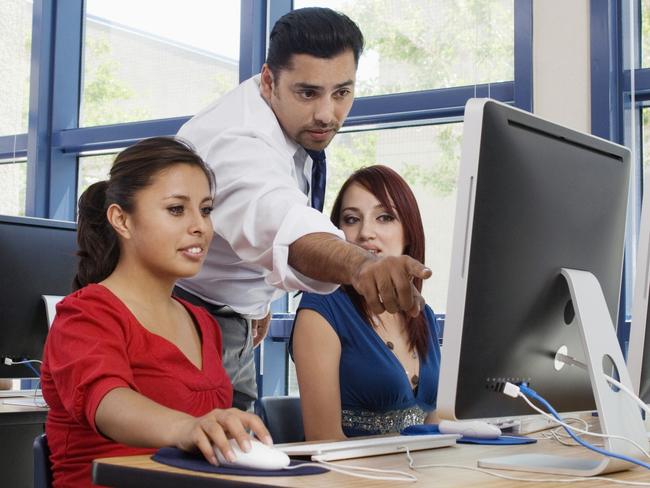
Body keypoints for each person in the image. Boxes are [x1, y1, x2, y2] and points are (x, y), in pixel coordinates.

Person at [176, 7, 431, 412]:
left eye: (342, 93)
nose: (327, 114)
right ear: (268, 81)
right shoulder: (236, 141)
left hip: (234, 317)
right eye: (308, 93)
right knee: (201, 470)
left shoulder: (290, 121)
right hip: (185, 322)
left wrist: (258, 301)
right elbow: (284, 224)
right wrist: (363, 267)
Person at [40, 137, 270, 488]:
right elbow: (109, 401)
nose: (201, 226)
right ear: (122, 220)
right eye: (177, 209)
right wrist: (186, 427)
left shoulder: (203, 322)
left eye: (205, 210)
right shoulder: (85, 315)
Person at [291, 165, 441, 440]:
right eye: (351, 220)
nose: (365, 233)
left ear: (408, 232)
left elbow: (435, 422)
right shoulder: (322, 310)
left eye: (384, 217)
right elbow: (324, 441)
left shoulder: (424, 316)